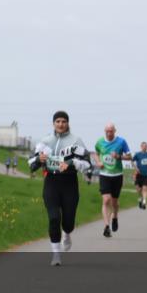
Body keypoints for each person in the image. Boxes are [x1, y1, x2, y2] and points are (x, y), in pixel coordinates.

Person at [29, 111, 92, 266]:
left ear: (68, 123)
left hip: (70, 183)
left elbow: (88, 164)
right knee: (54, 218)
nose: (61, 124)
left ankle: (67, 233)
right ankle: (56, 254)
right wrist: (38, 159)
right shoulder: (45, 141)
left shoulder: (76, 141)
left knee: (68, 222)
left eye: (64, 121)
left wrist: (72, 163)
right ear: (53, 123)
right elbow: (31, 164)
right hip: (51, 182)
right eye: (58, 121)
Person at [93, 123, 131, 237]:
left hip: (117, 175)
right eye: (107, 131)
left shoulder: (121, 142)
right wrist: (98, 162)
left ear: (115, 131)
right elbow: (96, 153)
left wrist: (119, 156)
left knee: (114, 202)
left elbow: (129, 156)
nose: (109, 133)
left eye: (111, 131)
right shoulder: (100, 142)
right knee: (106, 200)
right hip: (104, 175)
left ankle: (115, 216)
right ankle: (106, 226)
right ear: (105, 131)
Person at [131, 142, 147, 209]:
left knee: (145, 188)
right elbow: (132, 161)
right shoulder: (137, 154)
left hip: (146, 174)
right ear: (141, 147)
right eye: (144, 146)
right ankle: (140, 198)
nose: (145, 147)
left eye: (146, 146)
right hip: (139, 174)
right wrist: (136, 168)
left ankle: (144, 202)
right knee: (138, 189)